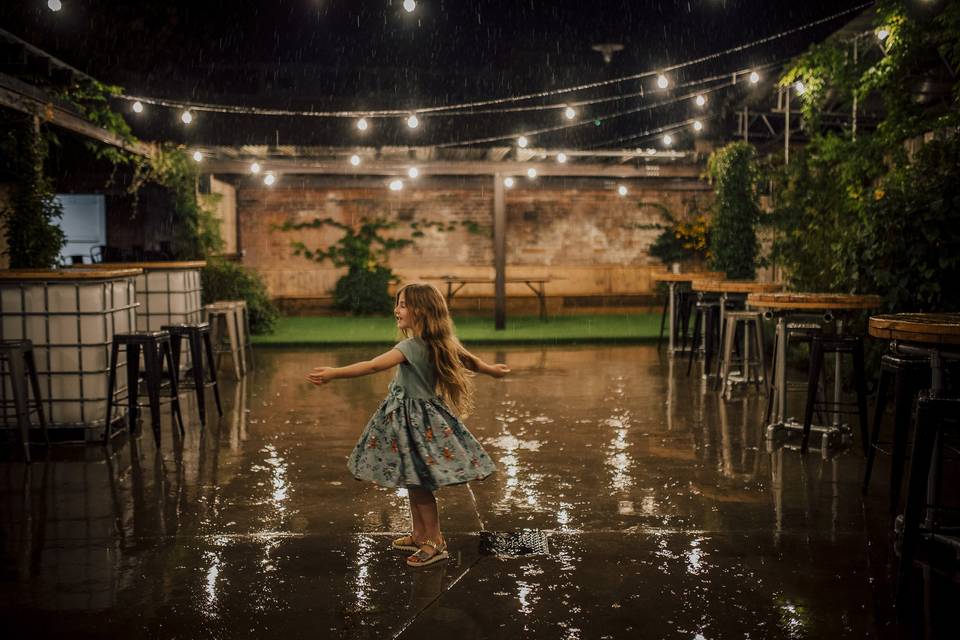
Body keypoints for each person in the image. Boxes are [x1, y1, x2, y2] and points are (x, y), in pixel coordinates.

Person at [307, 283, 509, 567]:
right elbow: (469, 359)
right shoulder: (440, 342)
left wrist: (334, 373)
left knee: (420, 484)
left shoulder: (410, 347)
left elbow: (374, 365)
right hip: (418, 422)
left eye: (402, 304)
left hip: (414, 424)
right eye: (398, 304)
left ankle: (435, 541)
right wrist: (490, 370)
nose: (396, 310)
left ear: (421, 311)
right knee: (414, 482)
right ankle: (418, 534)